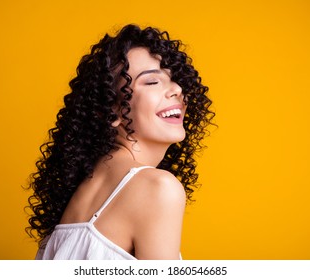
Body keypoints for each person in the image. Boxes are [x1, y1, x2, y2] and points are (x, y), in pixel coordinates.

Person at [26, 24, 214, 260]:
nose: (176, 89)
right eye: (152, 82)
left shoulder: (83, 190)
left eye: (174, 79)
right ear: (111, 111)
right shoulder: (157, 188)